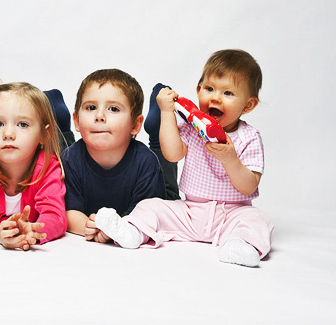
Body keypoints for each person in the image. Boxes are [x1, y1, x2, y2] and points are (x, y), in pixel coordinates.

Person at [95, 49, 274, 267]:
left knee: (258, 220)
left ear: (248, 105)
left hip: (232, 214)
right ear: (198, 90)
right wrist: (167, 113)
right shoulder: (192, 128)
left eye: (228, 93)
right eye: (209, 89)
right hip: (190, 211)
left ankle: (238, 245)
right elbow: (172, 154)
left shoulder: (249, 137)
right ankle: (133, 231)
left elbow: (248, 186)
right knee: (151, 206)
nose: (215, 97)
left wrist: (230, 159)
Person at [0, 82, 67, 250]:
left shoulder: (48, 165)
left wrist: (33, 233)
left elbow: (56, 215)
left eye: (22, 124)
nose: (8, 134)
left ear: (43, 134)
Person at [61, 69, 166, 244]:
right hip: (72, 155)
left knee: (171, 193)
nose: (99, 116)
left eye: (113, 109)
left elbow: (149, 218)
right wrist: (89, 227)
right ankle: (61, 126)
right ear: (77, 121)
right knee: (53, 155)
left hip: (158, 189)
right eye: (91, 107)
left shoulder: (146, 162)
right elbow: (67, 210)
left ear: (135, 124)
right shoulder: (70, 158)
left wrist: (115, 231)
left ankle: (159, 127)